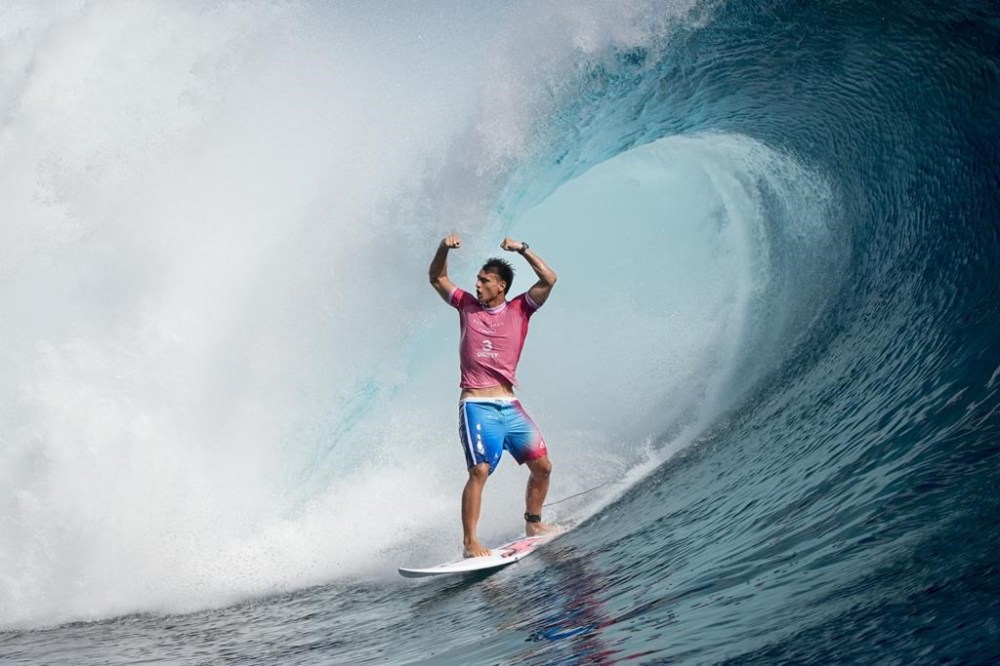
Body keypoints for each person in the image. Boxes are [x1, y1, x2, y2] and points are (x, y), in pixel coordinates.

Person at [429, 233, 559, 557]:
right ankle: (470, 542)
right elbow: (437, 277)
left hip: (509, 404)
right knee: (480, 470)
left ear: (500, 285)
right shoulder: (465, 306)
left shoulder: (520, 310)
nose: (476, 284)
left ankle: (533, 522)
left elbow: (549, 278)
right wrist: (444, 248)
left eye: (484, 280)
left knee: (542, 467)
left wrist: (523, 249)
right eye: (477, 279)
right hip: (476, 404)